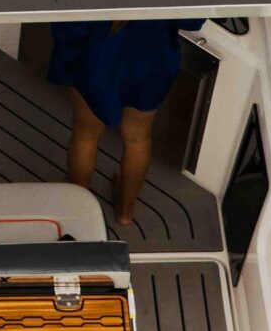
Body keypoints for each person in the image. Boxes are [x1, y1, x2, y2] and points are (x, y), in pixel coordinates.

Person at [49, 19, 203, 229]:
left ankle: (78, 207)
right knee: (137, 138)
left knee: (85, 134)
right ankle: (125, 212)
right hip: (151, 62)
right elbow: (192, 20)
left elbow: (69, 27)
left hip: (94, 61)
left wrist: (68, 58)